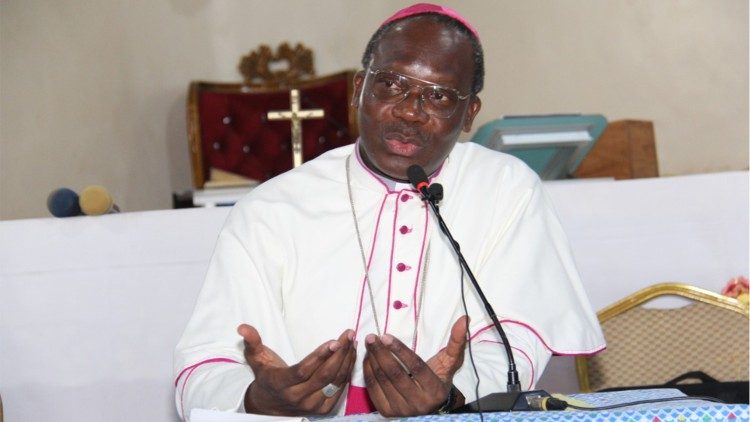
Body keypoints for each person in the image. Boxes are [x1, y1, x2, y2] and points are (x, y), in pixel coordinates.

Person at [174, 3, 605, 419]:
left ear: (469, 112)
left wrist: (451, 397)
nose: (410, 112)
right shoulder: (272, 208)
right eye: (392, 85)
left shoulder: (506, 188)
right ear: (360, 88)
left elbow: (518, 334)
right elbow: (206, 366)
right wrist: (260, 399)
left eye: (438, 96)